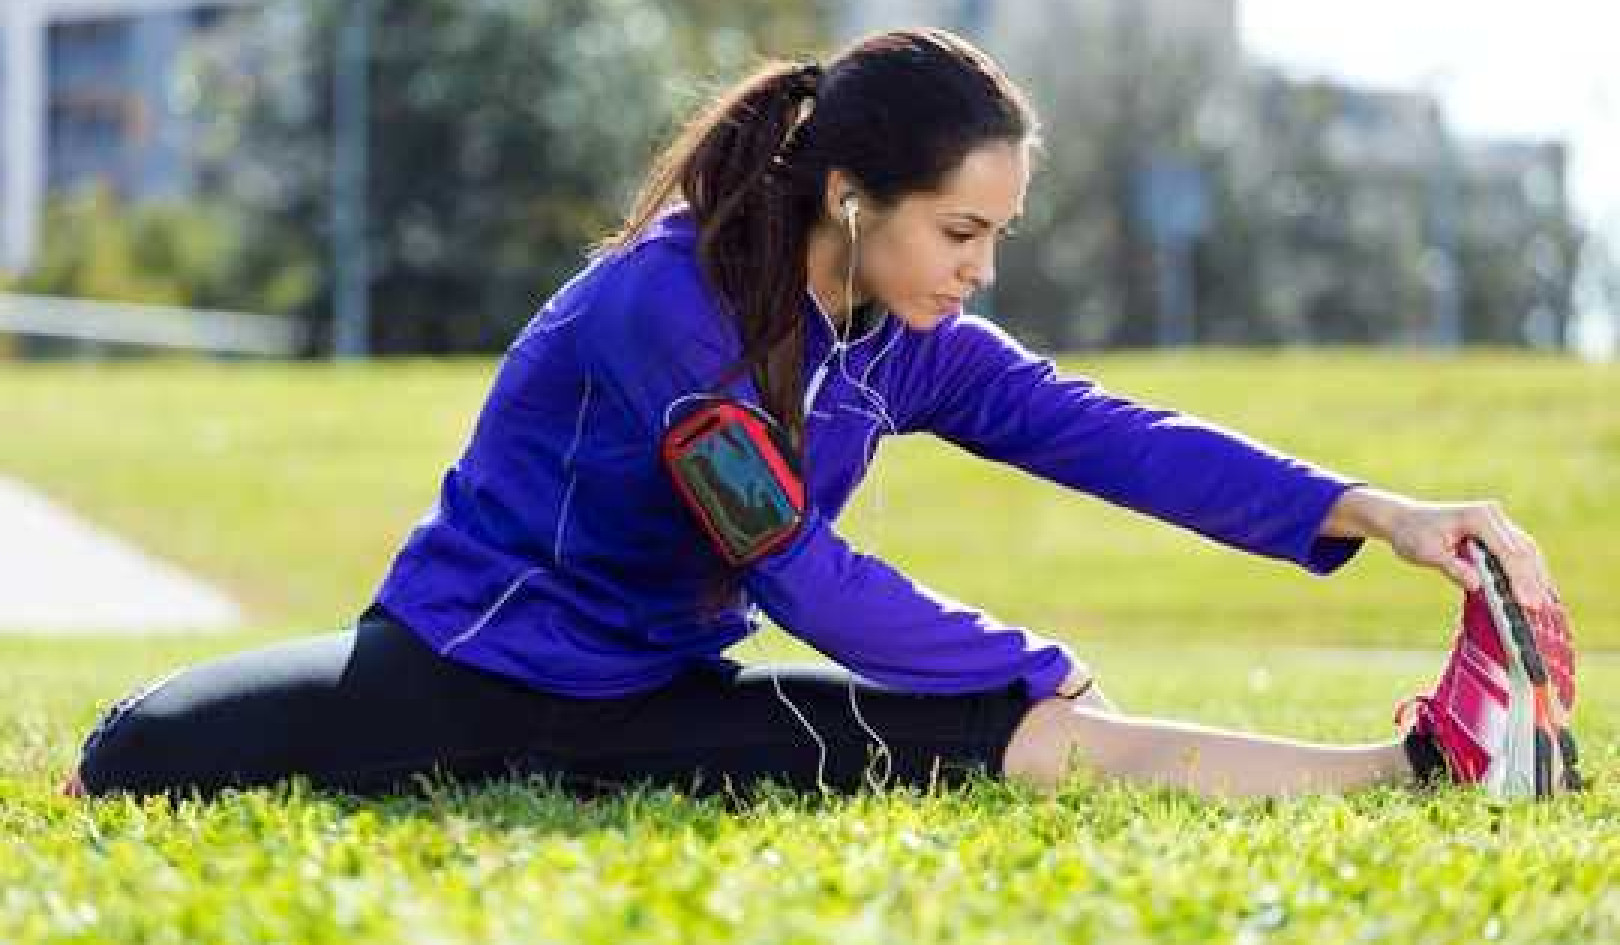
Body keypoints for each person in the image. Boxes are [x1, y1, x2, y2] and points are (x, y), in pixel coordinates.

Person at [66, 27, 1579, 804]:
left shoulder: (898, 326)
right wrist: (1034, 657)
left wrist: (1375, 510)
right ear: (852, 201)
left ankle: (1422, 771)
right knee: (144, 753)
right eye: (963, 233)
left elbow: (1109, 432)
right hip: (463, 669)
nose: (982, 273)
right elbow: (799, 572)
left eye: (1000, 240)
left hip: (657, 698)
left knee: (1009, 738)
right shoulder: (663, 316)